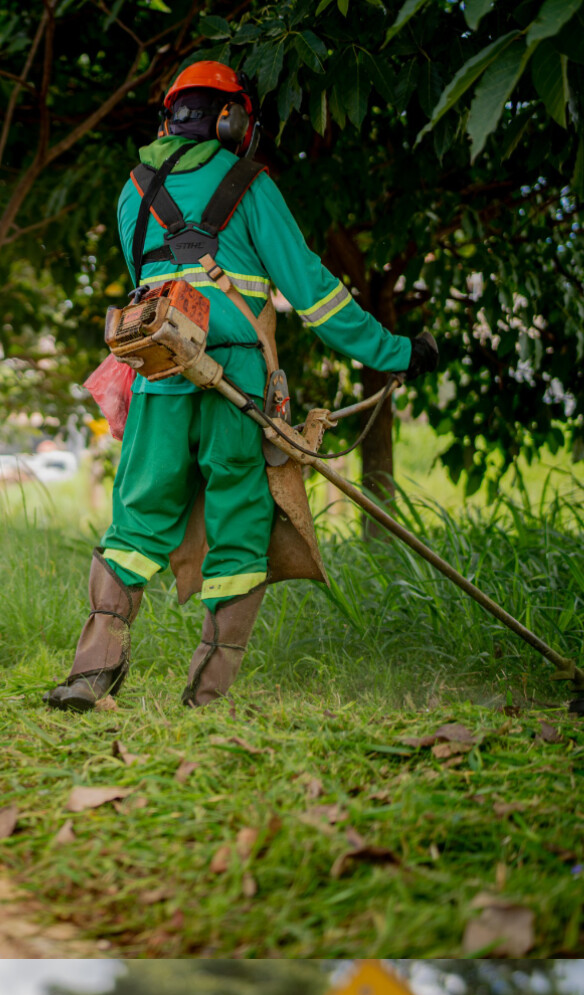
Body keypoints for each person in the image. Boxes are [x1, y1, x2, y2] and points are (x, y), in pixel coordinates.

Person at [48, 63, 441, 712]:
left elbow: (149, 285)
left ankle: (92, 674)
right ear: (231, 120)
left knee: (137, 517)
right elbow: (314, 294)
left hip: (159, 376)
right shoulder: (251, 186)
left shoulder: (132, 192)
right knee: (239, 527)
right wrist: (396, 352)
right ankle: (206, 698)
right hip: (237, 385)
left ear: (170, 118)